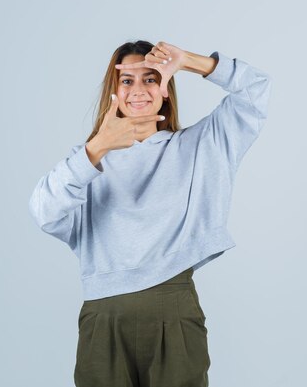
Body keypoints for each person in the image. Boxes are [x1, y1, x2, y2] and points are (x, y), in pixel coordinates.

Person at [28, 40, 271, 387]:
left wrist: (188, 61)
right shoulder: (87, 162)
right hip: (103, 315)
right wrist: (96, 148)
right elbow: (43, 211)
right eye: (127, 81)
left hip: (173, 309)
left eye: (151, 78)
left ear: (167, 89)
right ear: (113, 93)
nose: (138, 89)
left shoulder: (202, 146)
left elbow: (256, 88)